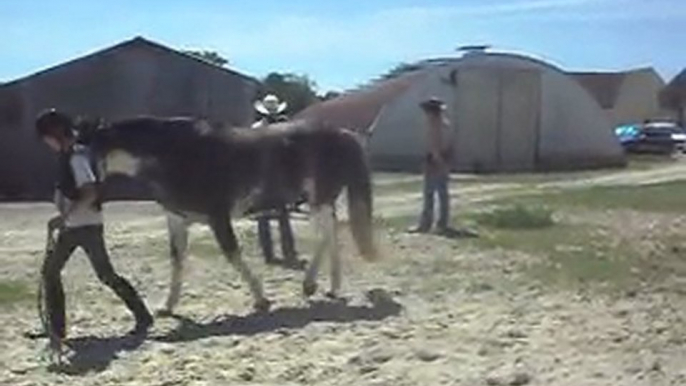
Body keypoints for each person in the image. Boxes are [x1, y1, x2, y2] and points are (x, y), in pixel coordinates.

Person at [35, 109, 153, 354]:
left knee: (105, 275)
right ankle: (57, 330)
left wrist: (63, 216)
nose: (46, 143)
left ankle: (143, 316)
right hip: (73, 226)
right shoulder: (68, 155)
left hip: (86, 226)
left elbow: (89, 191)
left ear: (54, 134)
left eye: (46, 137)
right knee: (51, 272)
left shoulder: (76, 157)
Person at [251, 95, 299, 267]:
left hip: (263, 176)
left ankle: (269, 254)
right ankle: (288, 251)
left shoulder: (257, 128)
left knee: (265, 217)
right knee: (281, 216)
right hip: (274, 175)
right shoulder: (283, 129)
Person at [409, 97, 458, 235]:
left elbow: (434, 146)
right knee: (442, 194)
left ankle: (427, 224)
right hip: (441, 160)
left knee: (430, 194)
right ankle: (441, 223)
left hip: (435, 162)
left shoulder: (434, 125)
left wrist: (438, 162)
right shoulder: (445, 124)